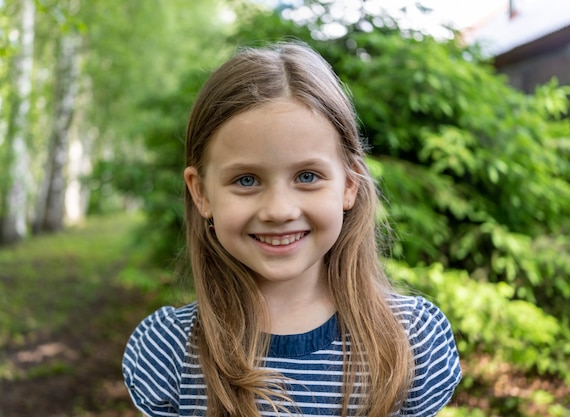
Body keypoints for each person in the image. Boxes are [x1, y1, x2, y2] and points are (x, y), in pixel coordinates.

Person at [122, 41, 461, 417]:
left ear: (349, 185)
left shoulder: (411, 340)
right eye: (247, 180)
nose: (279, 211)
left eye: (307, 176)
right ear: (201, 193)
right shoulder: (168, 349)